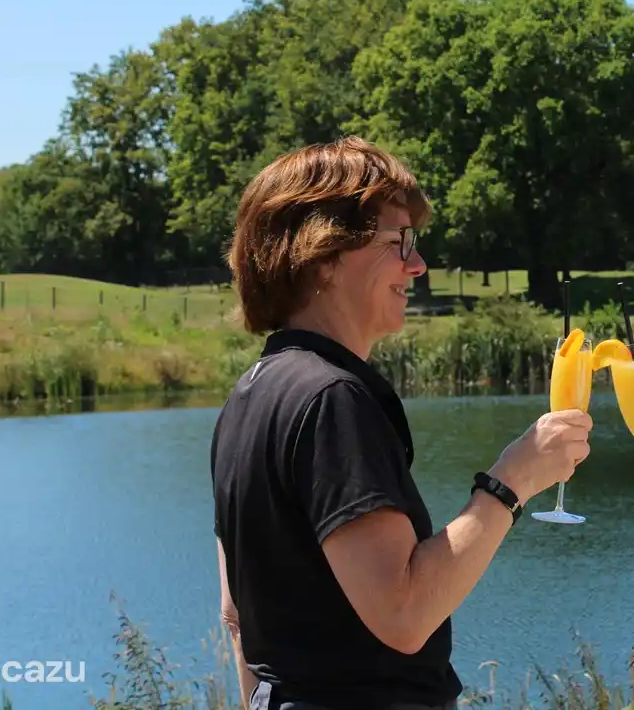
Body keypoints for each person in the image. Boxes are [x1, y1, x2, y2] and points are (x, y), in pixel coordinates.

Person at [209, 137, 592, 710]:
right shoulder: (332, 398)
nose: (418, 264)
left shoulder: (249, 395)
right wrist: (511, 481)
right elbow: (404, 612)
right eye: (398, 242)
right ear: (324, 255)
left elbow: (237, 618)